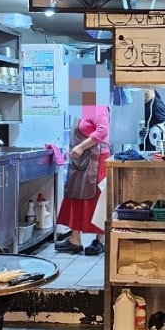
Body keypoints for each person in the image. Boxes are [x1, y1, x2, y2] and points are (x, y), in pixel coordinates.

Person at [55, 105, 110, 255]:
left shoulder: (98, 107)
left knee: (96, 198)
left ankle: (101, 240)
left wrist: (80, 147)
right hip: (81, 161)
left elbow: (102, 130)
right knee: (76, 195)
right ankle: (75, 239)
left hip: (95, 160)